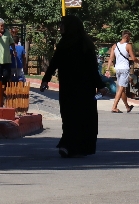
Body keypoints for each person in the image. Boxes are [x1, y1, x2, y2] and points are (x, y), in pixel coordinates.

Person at [40, 16, 106, 157]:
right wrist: (46, 79)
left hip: (80, 88)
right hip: (74, 87)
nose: (60, 27)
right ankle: (71, 145)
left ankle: (72, 145)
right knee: (72, 116)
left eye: (63, 25)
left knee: (76, 116)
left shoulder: (83, 44)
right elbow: (54, 62)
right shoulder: (69, 43)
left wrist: (100, 86)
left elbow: (92, 68)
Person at [105, 30, 135, 114]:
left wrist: (108, 69)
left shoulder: (115, 46)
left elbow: (111, 58)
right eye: (129, 37)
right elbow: (133, 58)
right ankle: (114, 107)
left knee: (121, 89)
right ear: (126, 36)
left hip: (117, 69)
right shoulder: (128, 46)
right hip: (125, 69)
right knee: (121, 88)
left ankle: (127, 107)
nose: (129, 38)